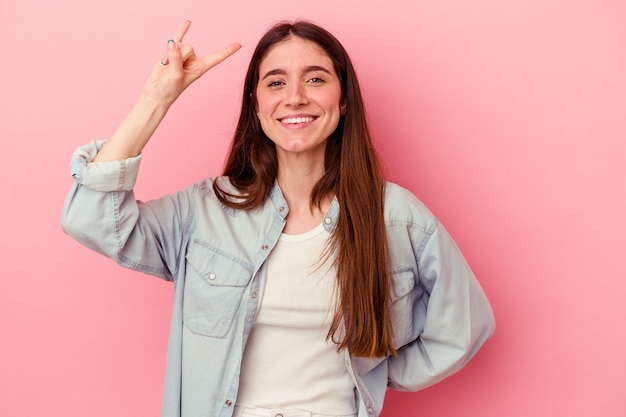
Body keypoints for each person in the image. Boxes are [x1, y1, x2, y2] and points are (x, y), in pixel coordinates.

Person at [62, 19, 495, 417]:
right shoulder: (205, 210)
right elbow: (92, 218)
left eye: (315, 78)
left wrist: (374, 375)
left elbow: (464, 326)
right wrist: (154, 102)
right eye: (275, 82)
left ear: (343, 101)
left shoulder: (395, 218)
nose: (295, 97)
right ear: (256, 104)